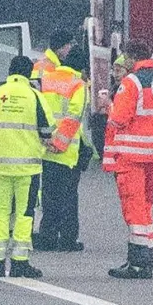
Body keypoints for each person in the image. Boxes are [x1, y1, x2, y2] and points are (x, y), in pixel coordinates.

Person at [0, 55, 55, 279]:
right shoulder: (35, 97)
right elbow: (48, 131)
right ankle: (20, 262)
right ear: (29, 74)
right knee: (24, 214)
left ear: (10, 71)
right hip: (28, 169)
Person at [101, 43, 153, 280]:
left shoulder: (131, 83)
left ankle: (139, 261)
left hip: (131, 155)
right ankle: (144, 258)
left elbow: (118, 118)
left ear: (133, 58)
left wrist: (109, 107)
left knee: (134, 209)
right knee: (144, 206)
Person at [32, 28, 87, 252]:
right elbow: (74, 117)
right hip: (65, 151)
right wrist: (61, 143)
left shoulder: (47, 80)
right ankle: (67, 239)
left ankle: (47, 237)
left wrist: (46, 140)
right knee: (68, 198)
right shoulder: (77, 85)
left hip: (45, 147)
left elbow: (39, 110)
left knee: (49, 196)